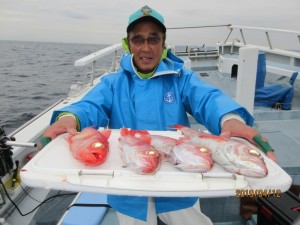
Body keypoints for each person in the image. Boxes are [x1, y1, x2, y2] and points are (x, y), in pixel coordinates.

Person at [38, 5, 277, 225]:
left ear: (163, 44)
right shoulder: (112, 83)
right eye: (138, 39)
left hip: (179, 172)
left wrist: (230, 120)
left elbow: (208, 98)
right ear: (127, 44)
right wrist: (68, 119)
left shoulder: (181, 78)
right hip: (129, 177)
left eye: (153, 39)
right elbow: (90, 106)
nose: (145, 47)